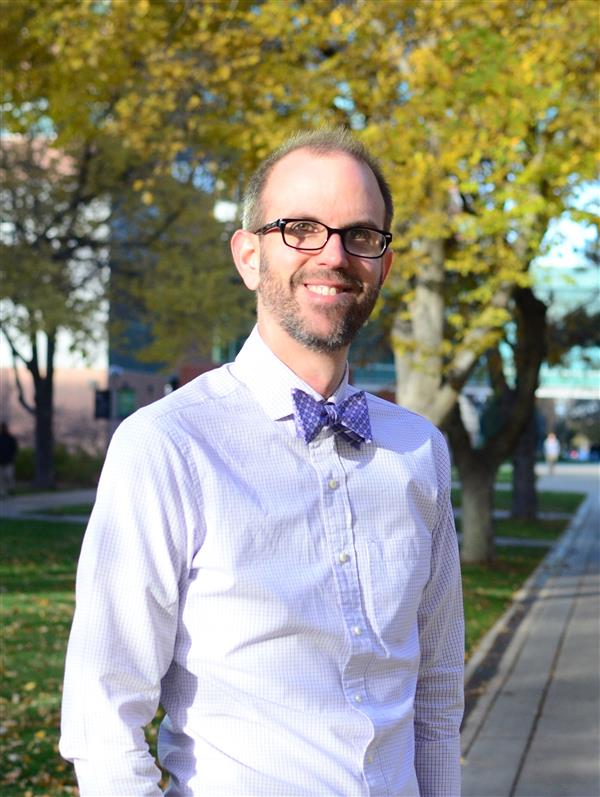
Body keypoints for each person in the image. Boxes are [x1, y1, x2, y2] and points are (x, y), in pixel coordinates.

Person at [60, 128, 464, 796]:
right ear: (249, 256)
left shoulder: (419, 450)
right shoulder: (168, 446)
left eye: (360, 234)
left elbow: (437, 696)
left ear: (383, 267)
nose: (334, 254)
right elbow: (103, 715)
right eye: (301, 228)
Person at [0, 421, 18, 498]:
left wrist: (12, 457)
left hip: (9, 461)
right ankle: (3, 493)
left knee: (9, 476)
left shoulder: (11, 438)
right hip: (1, 462)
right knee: (1, 478)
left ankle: (11, 489)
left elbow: (14, 449)